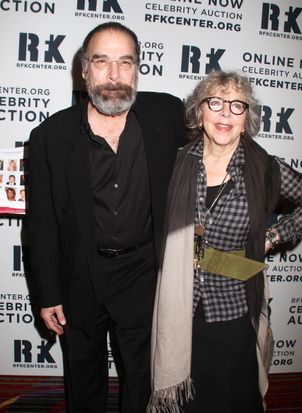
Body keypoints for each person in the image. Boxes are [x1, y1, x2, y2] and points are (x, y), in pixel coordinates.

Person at [148, 70, 302, 413]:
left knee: (232, 398)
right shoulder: (174, 164)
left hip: (232, 307)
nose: (225, 113)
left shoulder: (265, 170)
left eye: (237, 106)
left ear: (247, 120)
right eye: (215, 102)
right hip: (181, 307)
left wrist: (274, 236)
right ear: (199, 114)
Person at [27, 22, 186, 413]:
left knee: (143, 376)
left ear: (137, 69)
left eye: (125, 62)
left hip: (145, 271)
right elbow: (42, 223)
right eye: (102, 62)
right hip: (81, 272)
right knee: (83, 375)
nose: (114, 76)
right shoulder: (49, 137)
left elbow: (220, 145)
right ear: (84, 69)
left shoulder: (168, 114)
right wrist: (48, 294)